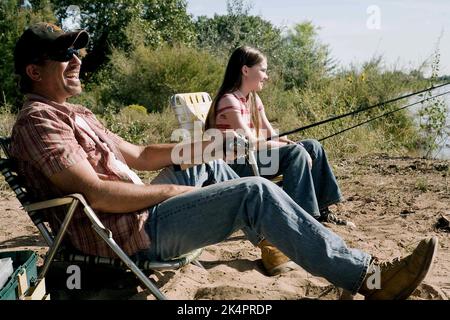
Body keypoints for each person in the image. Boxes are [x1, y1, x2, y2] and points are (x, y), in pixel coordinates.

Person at [10, 22, 438, 300]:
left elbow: (139, 155)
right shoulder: (38, 121)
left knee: (212, 168)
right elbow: (97, 194)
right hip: (129, 235)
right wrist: (174, 191)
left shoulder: (77, 113)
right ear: (34, 71)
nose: (78, 61)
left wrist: (204, 147)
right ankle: (370, 280)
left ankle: (277, 239)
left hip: (138, 211)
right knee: (252, 190)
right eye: (66, 55)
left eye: (78, 53)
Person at [206, 46, 350, 227]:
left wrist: (289, 143)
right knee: (295, 154)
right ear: (245, 70)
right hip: (234, 167)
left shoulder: (253, 99)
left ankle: (321, 211)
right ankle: (303, 219)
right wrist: (292, 149)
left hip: (252, 159)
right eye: (263, 70)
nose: (266, 76)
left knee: (312, 146)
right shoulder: (229, 100)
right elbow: (249, 143)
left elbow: (270, 134)